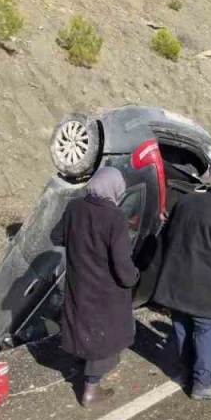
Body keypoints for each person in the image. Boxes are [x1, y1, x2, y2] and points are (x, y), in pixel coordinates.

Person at [151, 171, 211, 400]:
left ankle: (185, 374)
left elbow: (166, 238)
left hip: (175, 285)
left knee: (182, 330)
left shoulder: (185, 201)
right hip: (206, 293)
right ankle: (202, 384)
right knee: (206, 335)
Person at [52, 167, 140, 407]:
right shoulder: (115, 217)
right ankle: (91, 389)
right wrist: (133, 278)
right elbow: (122, 264)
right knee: (103, 336)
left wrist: (81, 245)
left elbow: (56, 237)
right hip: (105, 290)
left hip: (79, 282)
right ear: (115, 188)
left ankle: (82, 361)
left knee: (84, 326)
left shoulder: (74, 207)